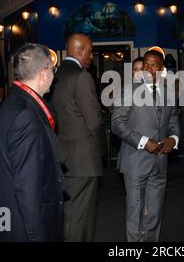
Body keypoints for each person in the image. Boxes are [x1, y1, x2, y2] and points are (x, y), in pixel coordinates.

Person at [0, 43, 64, 242]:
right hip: (25, 226)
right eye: (52, 69)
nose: (53, 75)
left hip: (11, 217)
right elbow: (28, 185)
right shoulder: (25, 115)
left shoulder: (13, 102)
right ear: (43, 73)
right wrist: (37, 236)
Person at [112, 47, 180, 242]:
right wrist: (143, 142)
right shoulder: (128, 90)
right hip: (134, 161)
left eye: (153, 65)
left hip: (160, 163)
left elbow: (174, 123)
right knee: (134, 213)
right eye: (146, 65)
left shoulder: (168, 93)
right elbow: (117, 124)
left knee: (154, 213)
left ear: (161, 69)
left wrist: (173, 139)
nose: (148, 69)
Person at [50, 33, 105, 242]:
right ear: (79, 50)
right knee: (81, 218)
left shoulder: (55, 75)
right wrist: (101, 151)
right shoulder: (81, 76)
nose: (91, 56)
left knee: (69, 212)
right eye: (90, 51)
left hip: (63, 156)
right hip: (83, 160)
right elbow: (94, 121)